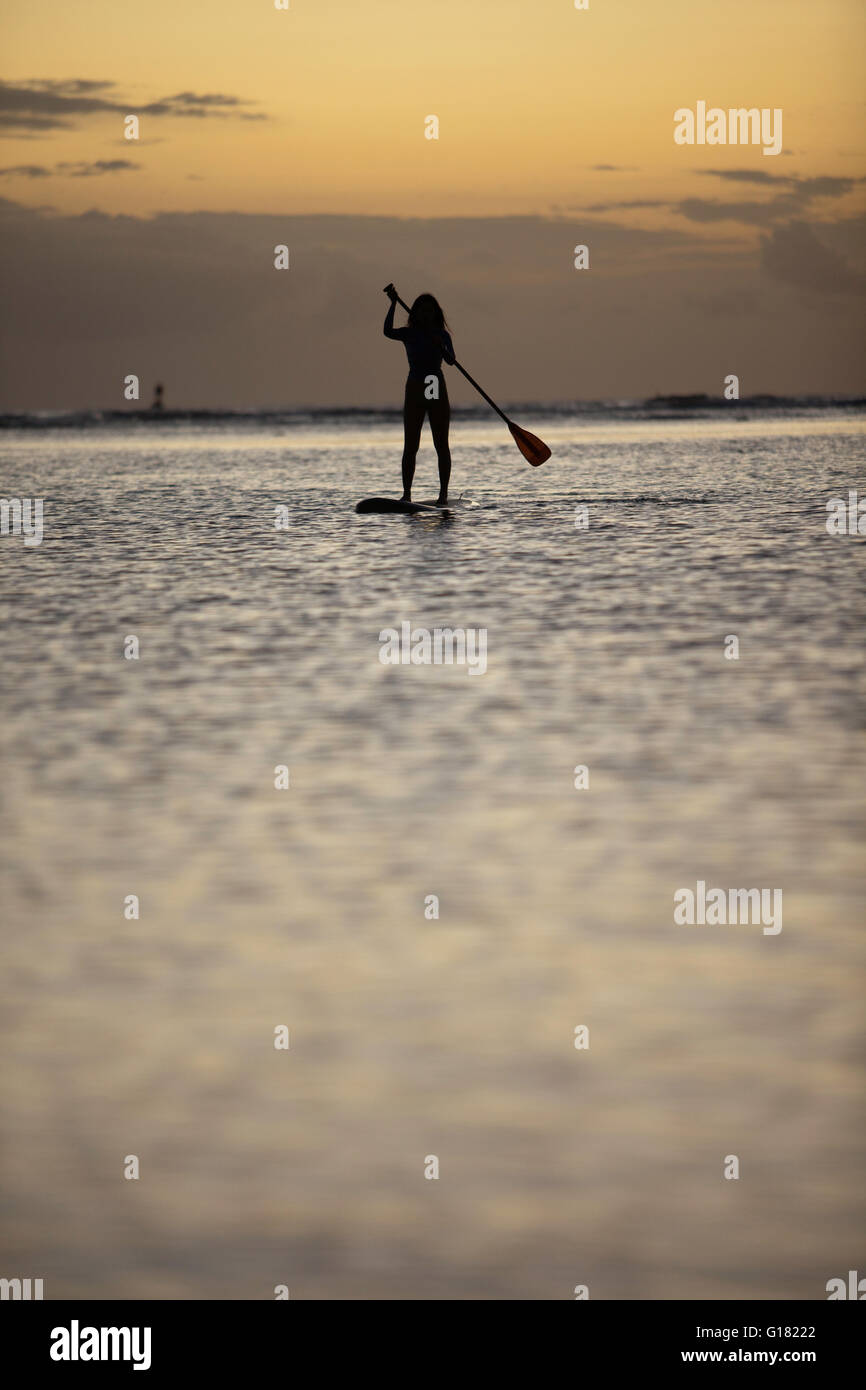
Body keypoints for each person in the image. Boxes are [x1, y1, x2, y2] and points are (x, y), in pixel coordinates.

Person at [383, 286, 454, 505]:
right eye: (421, 310)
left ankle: (443, 494)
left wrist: (441, 346)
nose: (425, 314)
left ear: (435, 313)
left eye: (429, 310)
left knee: (440, 443)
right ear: (416, 313)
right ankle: (407, 493)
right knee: (410, 445)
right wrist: (393, 304)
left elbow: (451, 360)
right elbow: (387, 331)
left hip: (434, 385)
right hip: (415, 387)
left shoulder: (441, 334)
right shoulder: (409, 333)